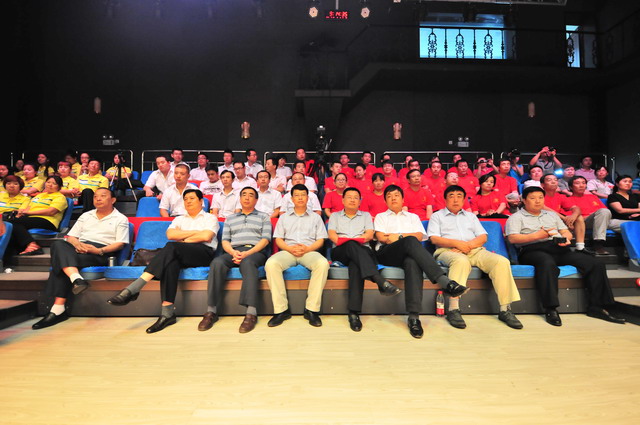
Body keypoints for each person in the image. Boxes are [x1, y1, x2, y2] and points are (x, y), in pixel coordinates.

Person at [505, 186, 625, 326]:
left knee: (595, 263)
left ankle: (598, 306)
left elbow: (565, 232)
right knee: (547, 263)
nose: (537, 201)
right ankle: (551, 308)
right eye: (532, 198)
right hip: (531, 250)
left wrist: (566, 239)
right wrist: (538, 235)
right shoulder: (516, 217)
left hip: (558, 248)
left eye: (540, 198)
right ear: (524, 200)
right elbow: (512, 238)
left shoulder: (551, 215)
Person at [107, 189, 219, 333]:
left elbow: (206, 237)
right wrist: (195, 233)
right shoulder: (179, 219)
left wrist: (182, 238)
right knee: (171, 263)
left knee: (172, 247)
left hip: (203, 253)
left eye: (192, 198)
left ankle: (134, 288)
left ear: (201, 201)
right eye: (185, 199)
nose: (188, 201)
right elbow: (171, 235)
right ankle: (167, 313)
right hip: (181, 252)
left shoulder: (210, 218)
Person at [373, 185, 467, 338]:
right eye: (389, 196)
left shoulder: (413, 217)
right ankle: (445, 281)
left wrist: (398, 236)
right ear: (385, 201)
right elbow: (382, 238)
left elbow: (419, 236)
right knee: (410, 241)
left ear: (403, 199)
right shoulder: (381, 217)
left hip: (408, 253)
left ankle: (414, 317)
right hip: (387, 253)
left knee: (413, 262)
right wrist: (405, 237)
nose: (393, 198)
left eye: (396, 195)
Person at [32, 188, 129, 330]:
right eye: (95, 196)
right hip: (78, 248)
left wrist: (99, 250)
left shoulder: (120, 218)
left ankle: (57, 310)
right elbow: (71, 236)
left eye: (103, 196)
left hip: (100, 252)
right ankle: (76, 279)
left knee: (61, 262)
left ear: (113, 200)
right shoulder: (86, 215)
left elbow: (120, 243)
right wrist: (77, 245)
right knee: (58, 244)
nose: (98, 199)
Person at [428, 185, 522, 330]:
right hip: (448, 250)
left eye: (459, 196)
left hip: (474, 250)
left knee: (501, 262)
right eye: (451, 196)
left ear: (464, 200)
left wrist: (468, 245)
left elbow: (483, 237)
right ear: (445, 199)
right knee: (460, 261)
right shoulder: (437, 216)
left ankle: (505, 309)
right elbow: (434, 238)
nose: (455, 199)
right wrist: (458, 244)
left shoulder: (471, 216)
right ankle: (453, 309)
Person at [328, 187, 402, 332]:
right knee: (351, 244)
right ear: (343, 200)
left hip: (362, 251)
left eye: (356, 197)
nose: (352, 200)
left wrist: (352, 241)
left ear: (360, 201)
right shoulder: (335, 216)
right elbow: (332, 236)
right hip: (341, 252)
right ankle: (379, 280)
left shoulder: (366, 216)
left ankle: (354, 313)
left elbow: (368, 235)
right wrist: (350, 241)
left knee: (356, 264)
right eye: (349, 197)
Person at [199, 187, 271, 334]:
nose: (247, 198)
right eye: (244, 195)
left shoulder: (264, 217)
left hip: (255, 251)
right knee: (217, 263)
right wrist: (233, 252)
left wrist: (247, 253)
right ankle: (211, 311)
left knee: (248, 263)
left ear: (256, 200)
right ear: (240, 198)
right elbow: (225, 241)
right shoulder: (230, 218)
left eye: (251, 195)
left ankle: (251, 313)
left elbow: (265, 240)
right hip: (234, 251)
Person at [265, 184, 329, 327]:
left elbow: (320, 240)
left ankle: (311, 310)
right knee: (271, 264)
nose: (300, 198)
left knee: (322, 264)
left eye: (303, 195)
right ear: (291, 199)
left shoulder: (316, 217)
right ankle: (281, 310)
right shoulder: (284, 217)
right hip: (288, 251)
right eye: (297, 195)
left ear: (308, 198)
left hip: (309, 251)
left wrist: (307, 248)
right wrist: (289, 248)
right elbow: (279, 239)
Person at [5, 175, 68, 257]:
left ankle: (33, 245)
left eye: (54, 183)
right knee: (9, 224)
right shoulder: (39, 196)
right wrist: (20, 214)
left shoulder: (60, 197)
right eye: (48, 182)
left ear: (59, 187)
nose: (50, 185)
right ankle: (13, 252)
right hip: (31, 219)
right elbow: (28, 208)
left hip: (48, 221)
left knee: (13, 223)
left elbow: (51, 212)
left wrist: (29, 213)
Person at [564, 176, 617, 255]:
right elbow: (572, 218)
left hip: (601, 220)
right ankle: (598, 244)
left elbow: (606, 213)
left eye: (583, 183)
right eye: (577, 183)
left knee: (627, 224)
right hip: (584, 223)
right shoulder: (567, 200)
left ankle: (631, 251)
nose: (581, 185)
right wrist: (593, 215)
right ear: (571, 187)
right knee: (603, 212)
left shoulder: (593, 197)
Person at [541, 174, 592, 255]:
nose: (553, 182)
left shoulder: (560, 196)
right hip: (543, 221)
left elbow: (576, 208)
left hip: (559, 222)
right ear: (542, 185)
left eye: (555, 180)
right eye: (549, 180)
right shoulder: (539, 195)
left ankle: (580, 247)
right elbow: (543, 208)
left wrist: (573, 217)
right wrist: (565, 219)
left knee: (579, 217)